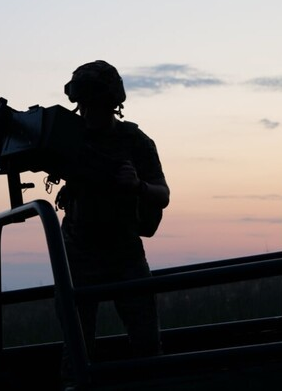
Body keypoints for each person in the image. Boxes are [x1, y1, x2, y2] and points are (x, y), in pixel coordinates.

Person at [56, 60, 169, 371]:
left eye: (94, 105)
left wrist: (137, 186)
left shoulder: (135, 141)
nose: (87, 113)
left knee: (147, 345)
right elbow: (32, 151)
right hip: (80, 251)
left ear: (112, 105)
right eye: (83, 106)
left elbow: (163, 194)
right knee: (77, 350)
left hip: (124, 252)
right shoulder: (70, 135)